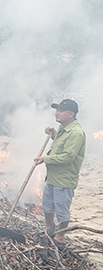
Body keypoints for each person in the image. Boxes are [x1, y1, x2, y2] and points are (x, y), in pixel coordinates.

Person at [34, 98, 86, 245]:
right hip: (52, 177)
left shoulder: (76, 133)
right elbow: (62, 144)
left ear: (71, 114)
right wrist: (54, 134)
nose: (57, 113)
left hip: (64, 180)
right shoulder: (64, 129)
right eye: (56, 110)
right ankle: (49, 228)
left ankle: (60, 236)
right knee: (48, 205)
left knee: (62, 209)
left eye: (60, 111)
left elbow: (68, 156)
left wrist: (45, 159)